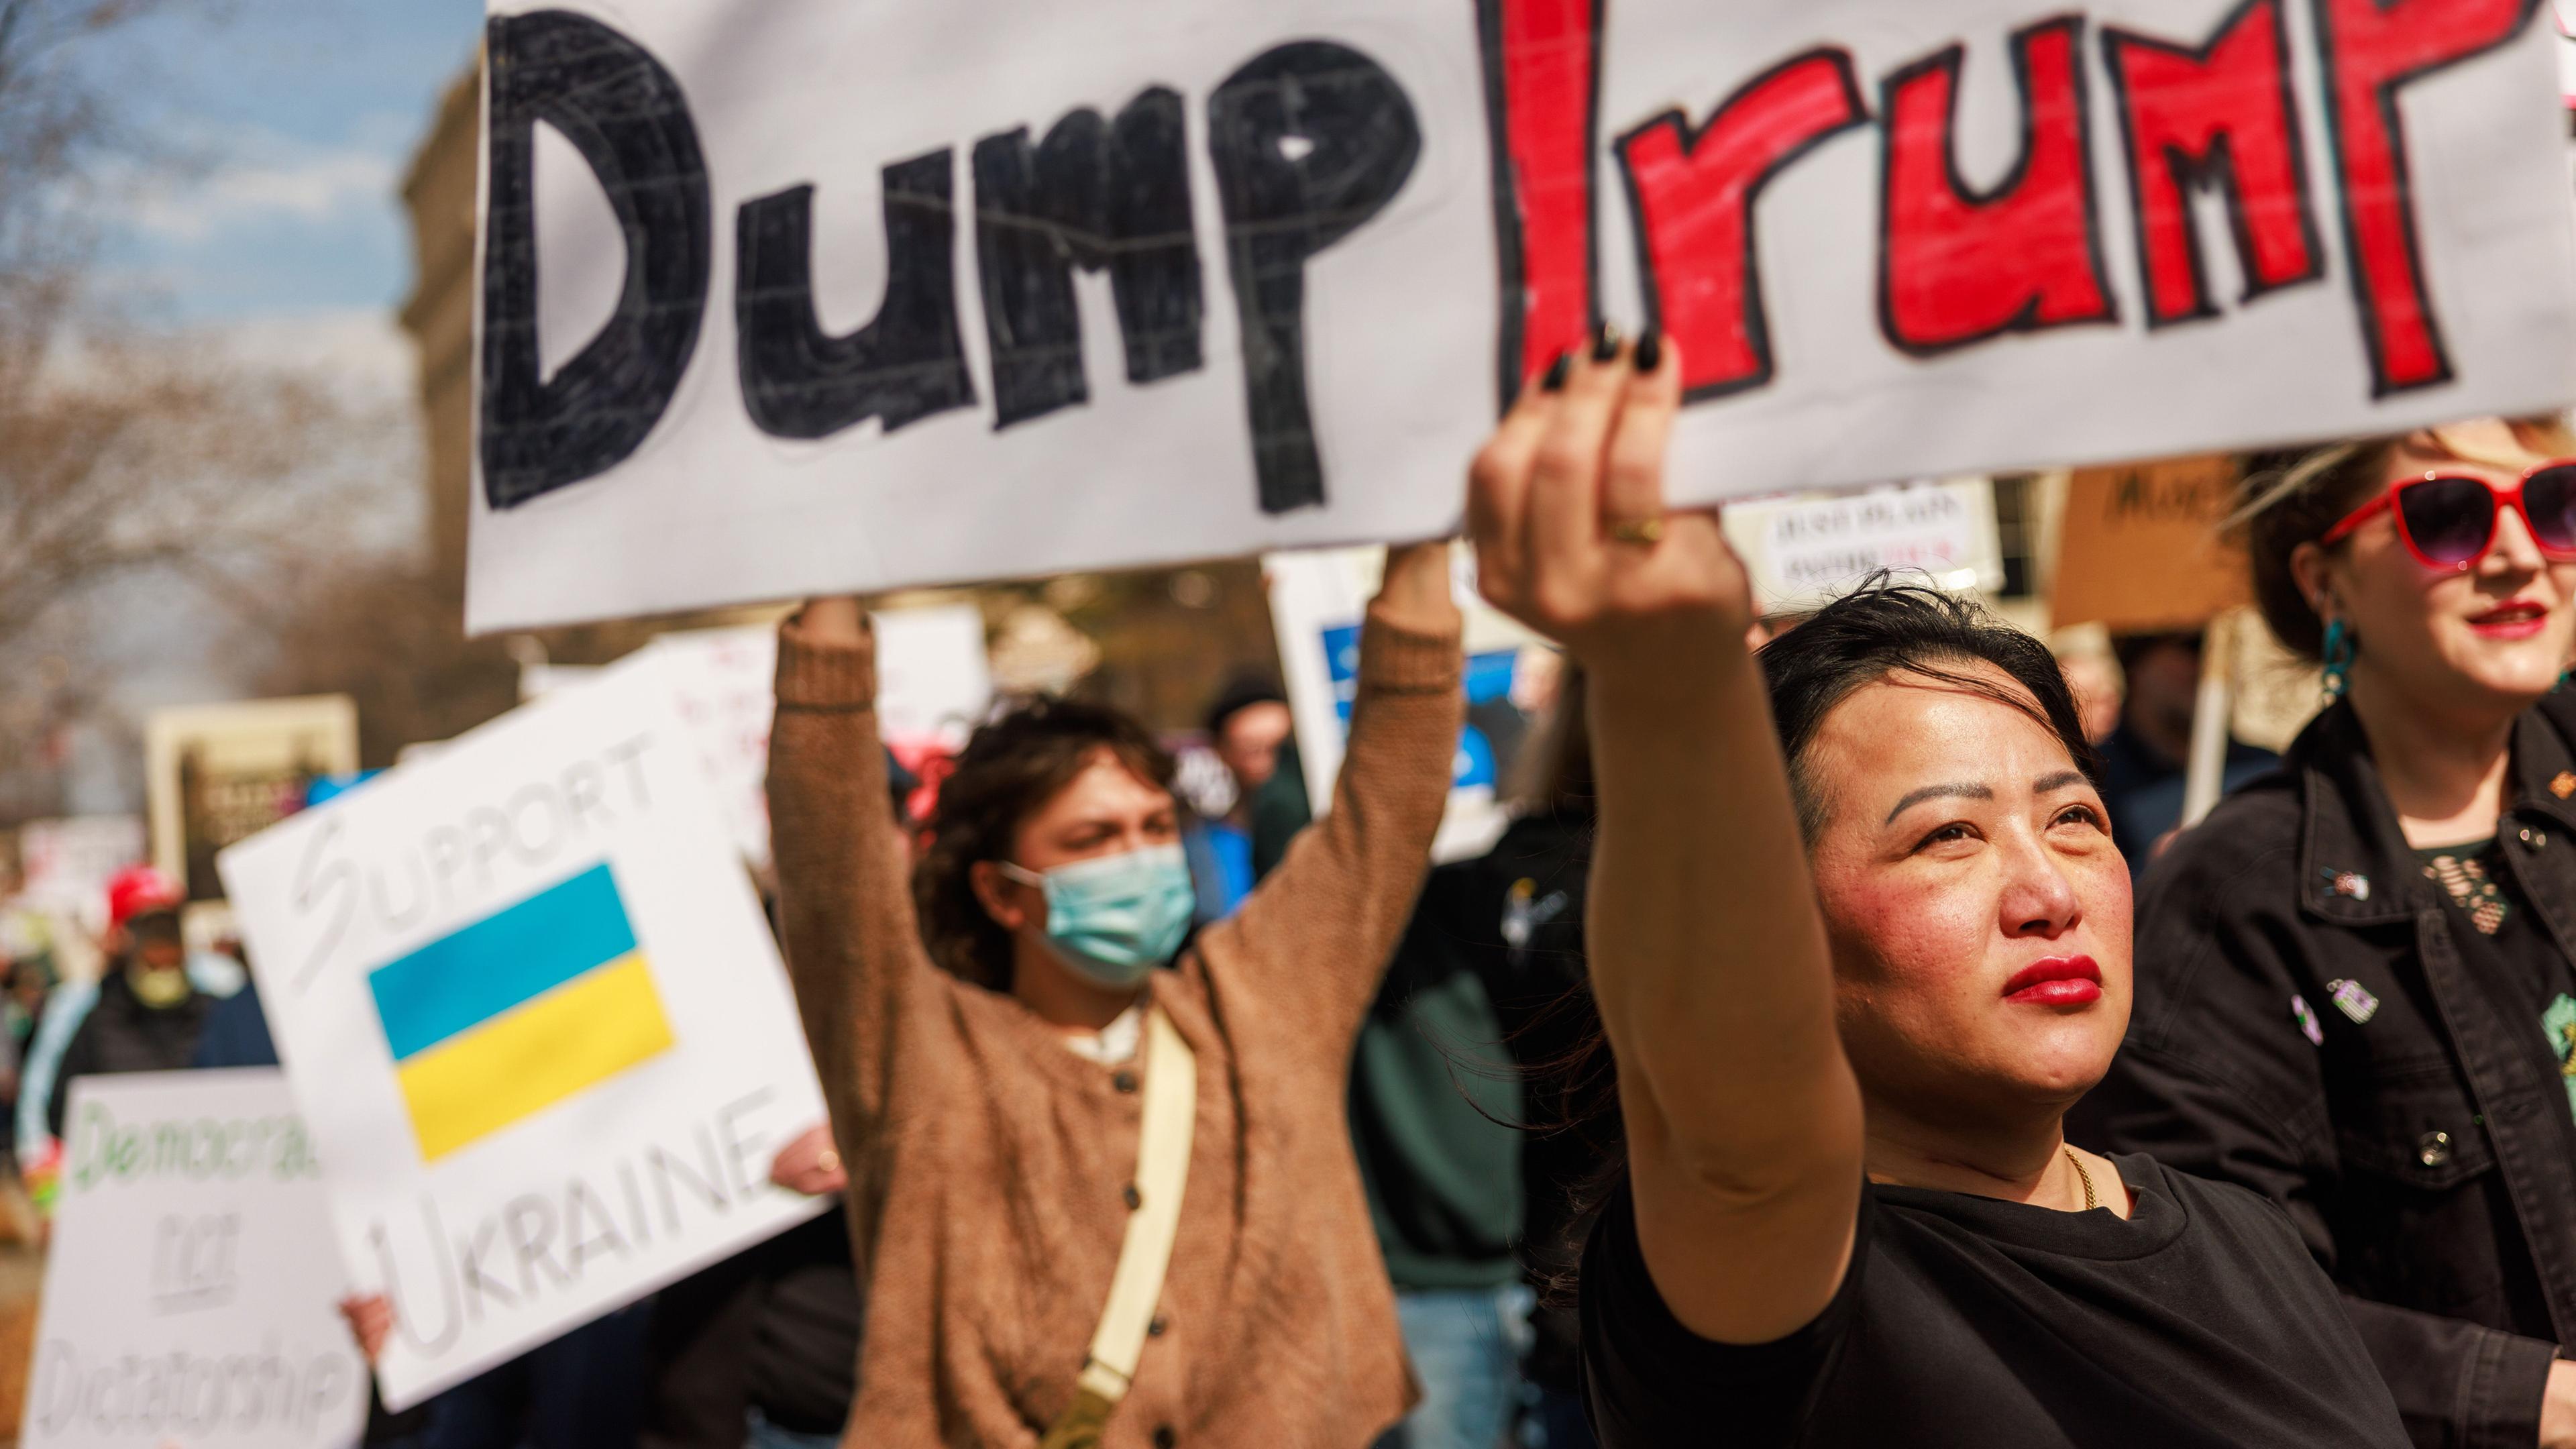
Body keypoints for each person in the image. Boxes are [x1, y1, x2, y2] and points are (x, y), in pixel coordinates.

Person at [1463, 327, 2408, 1445]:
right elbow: (1736, 1105)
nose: (2045, 891)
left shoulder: (2245, 1236)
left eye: (2074, 820)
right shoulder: (1773, 1272)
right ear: (1784, 922)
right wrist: (1666, 676)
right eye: (1947, 836)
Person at [764, 542, 1462, 1445]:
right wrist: (827, 565)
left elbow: (1391, 798)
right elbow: (833, 861)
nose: (1138, 858)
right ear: (1002, 890)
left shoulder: (1261, 1000)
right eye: (1094, 838)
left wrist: (1415, 542)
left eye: (1156, 827)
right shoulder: (922, 1055)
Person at [2074, 418, 2576, 1448]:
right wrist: (2537, 1400)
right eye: (2449, 516)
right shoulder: (2231, 904)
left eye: (2557, 504)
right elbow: (2222, 1308)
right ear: (2322, 578)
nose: (2520, 553)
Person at [2092, 629, 2277, 877]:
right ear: (2136, 663)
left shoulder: (2268, 772)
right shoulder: (2089, 779)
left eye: (2227, 649)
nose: (2213, 665)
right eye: (2196, 646)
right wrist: (2154, 871)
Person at [47, 865, 212, 1136]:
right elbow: (56, 1112)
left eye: (169, 931)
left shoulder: (216, 1012)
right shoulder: (87, 1012)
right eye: (149, 933)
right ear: (121, 939)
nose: (161, 949)